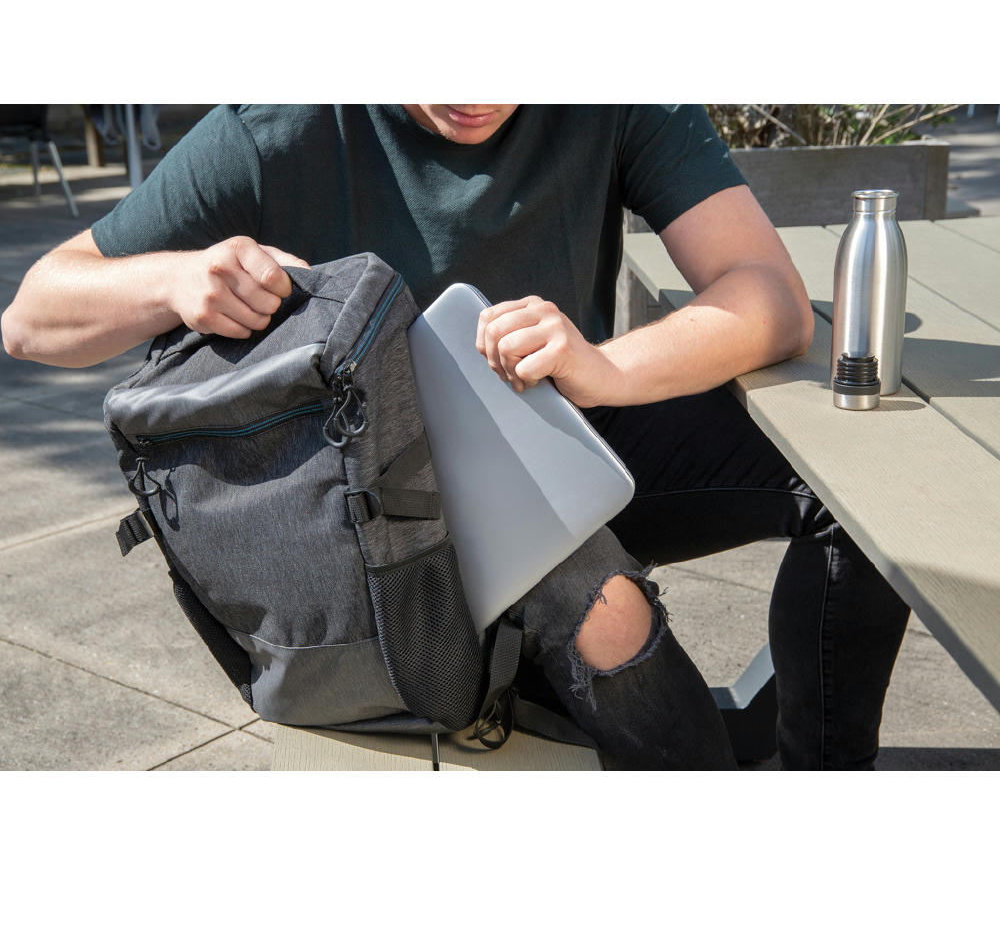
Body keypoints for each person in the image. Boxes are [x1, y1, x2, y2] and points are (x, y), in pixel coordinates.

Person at [1, 104, 912, 769]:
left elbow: (770, 296)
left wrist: (607, 367)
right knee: (599, 604)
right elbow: (33, 316)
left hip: (562, 435)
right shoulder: (274, 126)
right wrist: (173, 279)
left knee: (868, 489)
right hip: (370, 510)